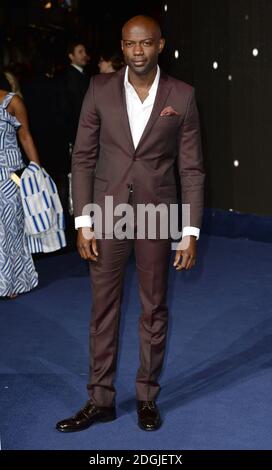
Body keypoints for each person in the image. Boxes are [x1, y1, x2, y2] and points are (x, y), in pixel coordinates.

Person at [56, 15, 205, 432]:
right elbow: (82, 158)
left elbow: (192, 169)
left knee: (153, 307)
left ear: (160, 45)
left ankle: (146, 396)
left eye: (146, 43)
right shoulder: (99, 89)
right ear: (121, 47)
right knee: (103, 308)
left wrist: (188, 231)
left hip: (157, 214)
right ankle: (100, 399)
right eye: (129, 44)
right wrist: (83, 219)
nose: (137, 51)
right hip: (106, 212)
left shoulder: (184, 96)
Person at [0, 72, 41, 298]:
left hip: (9, 174)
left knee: (10, 229)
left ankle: (13, 281)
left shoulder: (12, 102)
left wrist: (37, 171)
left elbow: (25, 136)